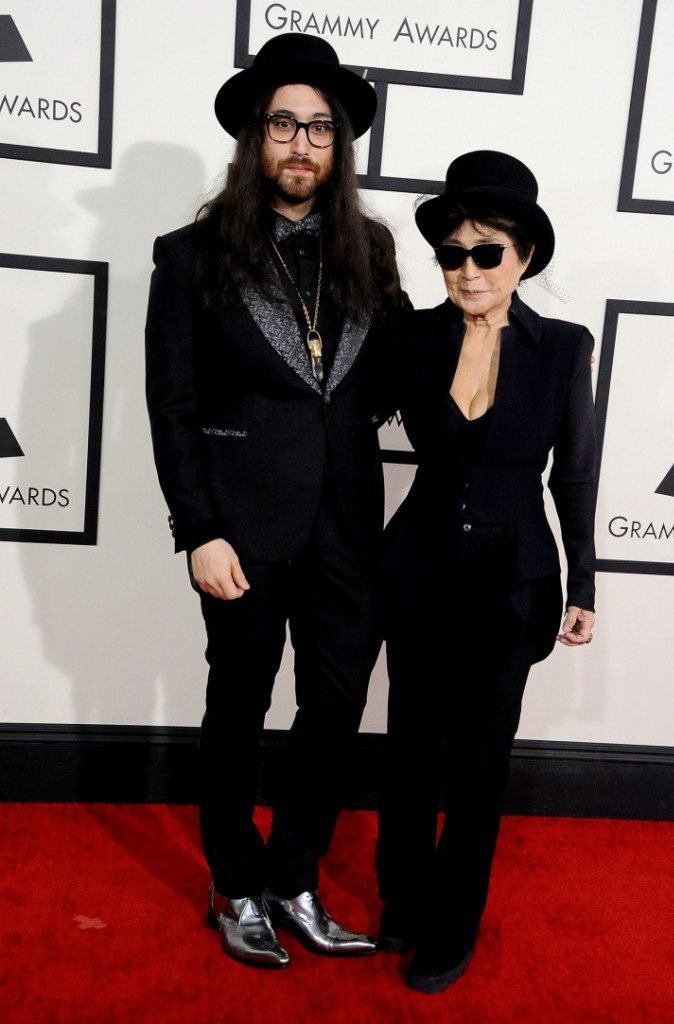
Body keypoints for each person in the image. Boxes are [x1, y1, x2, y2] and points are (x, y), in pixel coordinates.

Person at [145, 33, 407, 969]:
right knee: (238, 707)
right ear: (256, 137)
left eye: (321, 129)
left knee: (335, 707)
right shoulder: (189, 255)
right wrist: (198, 528)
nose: (303, 143)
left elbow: (387, 373)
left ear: (338, 149)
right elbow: (170, 404)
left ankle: (294, 877)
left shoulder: (368, 247)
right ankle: (234, 881)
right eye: (286, 123)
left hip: (346, 521)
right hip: (242, 529)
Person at [375, 151, 597, 994]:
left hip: (513, 581)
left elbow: (573, 473)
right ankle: (401, 902)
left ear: (524, 258)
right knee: (407, 751)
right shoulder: (414, 337)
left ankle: (453, 924)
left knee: (477, 761)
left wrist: (582, 583)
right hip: (419, 567)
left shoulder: (562, 347)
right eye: (451, 253)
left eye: (486, 252)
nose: (466, 270)